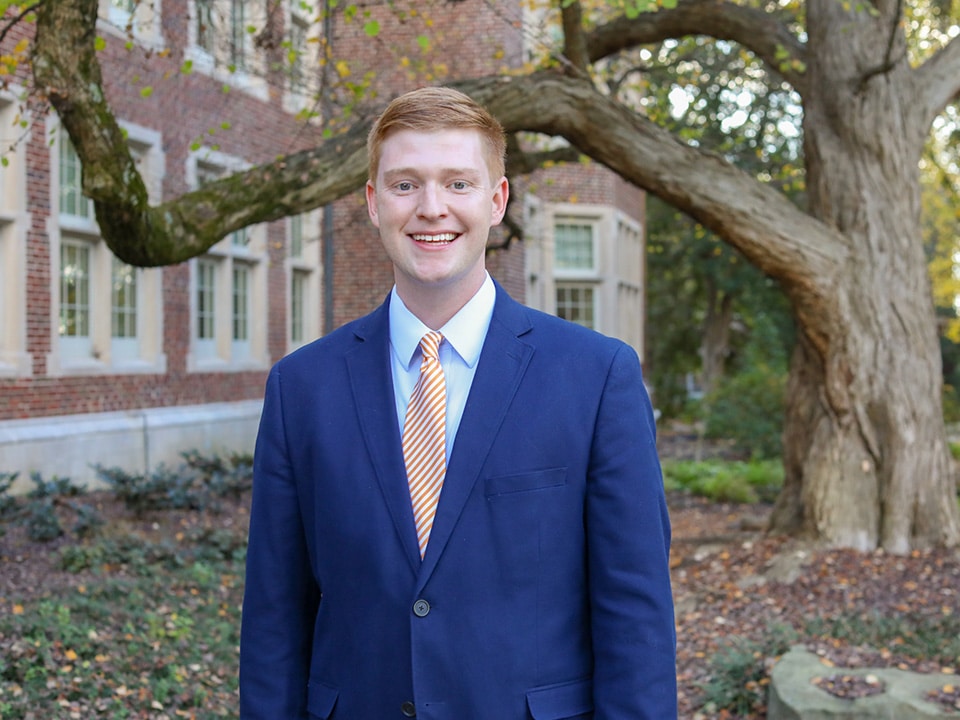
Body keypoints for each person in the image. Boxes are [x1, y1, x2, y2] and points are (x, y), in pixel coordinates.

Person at [239, 86, 677, 720]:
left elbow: (635, 615)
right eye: (405, 184)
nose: (431, 208)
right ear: (372, 202)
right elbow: (274, 617)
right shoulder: (301, 388)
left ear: (497, 200)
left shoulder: (595, 377)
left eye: (458, 184)